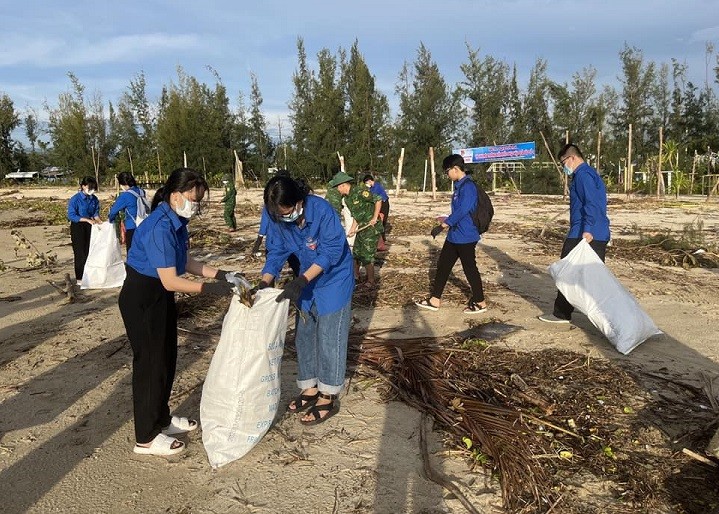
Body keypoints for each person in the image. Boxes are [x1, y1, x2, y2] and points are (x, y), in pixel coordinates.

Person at [118, 167, 236, 456]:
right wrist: (209, 291)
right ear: (174, 196)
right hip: (143, 296)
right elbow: (170, 279)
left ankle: (160, 419)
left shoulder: (176, 222)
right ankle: (145, 438)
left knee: (167, 359)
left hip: (160, 296)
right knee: (150, 366)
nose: (195, 205)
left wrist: (223, 275)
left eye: (199, 200)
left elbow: (184, 262)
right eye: (192, 199)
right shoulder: (159, 226)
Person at [257, 175, 354, 425]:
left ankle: (327, 394)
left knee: (329, 336)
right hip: (306, 277)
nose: (282, 216)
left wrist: (302, 281)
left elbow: (332, 251)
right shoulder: (275, 216)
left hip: (333, 279)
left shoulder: (321, 210)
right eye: (277, 213)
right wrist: (265, 281)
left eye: (286, 210)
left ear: (299, 202)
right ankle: (310, 388)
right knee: (305, 333)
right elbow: (277, 250)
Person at [538, 143, 611, 323]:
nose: (564, 167)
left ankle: (562, 313)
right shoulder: (590, 173)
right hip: (594, 231)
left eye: (563, 162)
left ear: (572, 158)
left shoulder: (583, 176)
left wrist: (588, 229)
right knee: (586, 276)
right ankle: (567, 311)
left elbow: (591, 204)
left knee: (566, 272)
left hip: (584, 232)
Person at [415, 154, 488, 314]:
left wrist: (443, 225)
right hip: (455, 234)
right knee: (443, 265)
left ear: (456, 169)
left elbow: (464, 209)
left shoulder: (468, 186)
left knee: (469, 268)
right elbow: (459, 211)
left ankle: (480, 301)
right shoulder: (459, 186)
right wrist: (447, 219)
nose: (447, 175)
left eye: (447, 171)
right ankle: (435, 300)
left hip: (466, 236)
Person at [328, 171, 383, 287]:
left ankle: (371, 281)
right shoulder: (347, 199)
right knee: (357, 253)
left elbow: (378, 199)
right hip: (362, 227)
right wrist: (353, 229)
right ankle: (356, 276)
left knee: (367, 255)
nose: (337, 190)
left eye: (338, 187)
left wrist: (374, 217)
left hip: (371, 227)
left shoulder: (359, 191)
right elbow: (357, 215)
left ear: (343, 185)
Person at [67, 176, 102, 285]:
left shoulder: (94, 199)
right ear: (83, 186)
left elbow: (95, 213)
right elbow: (71, 215)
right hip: (78, 226)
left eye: (93, 187)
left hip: (90, 225)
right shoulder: (75, 199)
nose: (92, 189)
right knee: (80, 253)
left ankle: (90, 275)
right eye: (90, 187)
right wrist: (86, 220)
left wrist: (100, 222)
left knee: (89, 251)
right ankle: (80, 278)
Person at [108, 172, 149, 251]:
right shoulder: (141, 191)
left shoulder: (125, 195)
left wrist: (110, 219)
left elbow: (113, 211)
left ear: (122, 184)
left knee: (132, 252)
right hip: (144, 225)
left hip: (132, 227)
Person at [362, 173, 390, 251]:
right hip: (377, 204)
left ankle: (382, 240)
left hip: (384, 203)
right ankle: (380, 240)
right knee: (379, 221)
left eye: (366, 183)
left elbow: (374, 197)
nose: (367, 185)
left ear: (370, 181)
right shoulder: (371, 188)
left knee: (382, 220)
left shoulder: (377, 187)